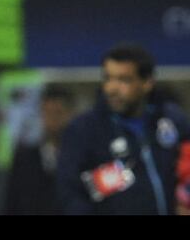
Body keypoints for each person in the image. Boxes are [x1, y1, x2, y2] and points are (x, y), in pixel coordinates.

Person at [57, 45, 190, 215]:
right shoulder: (83, 131)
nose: (112, 89)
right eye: (108, 78)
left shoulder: (172, 119)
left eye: (123, 80)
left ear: (147, 83)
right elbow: (70, 195)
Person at [4, 86, 75, 215]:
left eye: (58, 112)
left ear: (70, 115)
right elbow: (11, 203)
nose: (52, 119)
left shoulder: (83, 158)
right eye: (47, 113)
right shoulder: (24, 159)